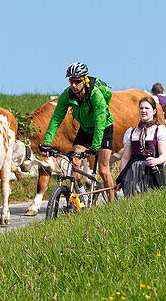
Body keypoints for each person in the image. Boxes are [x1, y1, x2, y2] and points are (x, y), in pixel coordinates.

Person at [40, 62, 117, 203]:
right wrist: (46, 143)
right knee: (74, 162)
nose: (74, 85)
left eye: (77, 81)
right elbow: (56, 118)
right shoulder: (68, 94)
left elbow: (100, 124)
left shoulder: (95, 95)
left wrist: (94, 147)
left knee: (103, 170)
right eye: (71, 81)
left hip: (104, 129)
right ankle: (78, 199)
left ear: (84, 80)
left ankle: (112, 205)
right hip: (85, 129)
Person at [115, 95, 166, 195]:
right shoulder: (131, 132)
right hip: (132, 172)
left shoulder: (159, 130)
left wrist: (156, 161)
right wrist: (121, 178)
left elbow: (164, 155)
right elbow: (125, 158)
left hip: (152, 171)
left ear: (154, 111)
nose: (143, 110)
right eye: (141, 108)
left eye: (147, 108)